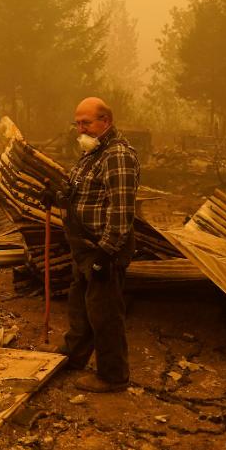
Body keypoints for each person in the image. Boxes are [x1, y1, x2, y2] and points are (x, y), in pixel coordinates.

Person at [40, 97, 140, 393]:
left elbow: (121, 211)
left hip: (103, 249)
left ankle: (113, 376)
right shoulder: (92, 152)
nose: (80, 129)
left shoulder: (117, 156)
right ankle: (74, 357)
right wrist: (56, 197)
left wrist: (105, 254)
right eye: (77, 123)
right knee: (80, 305)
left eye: (86, 123)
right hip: (84, 247)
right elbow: (80, 194)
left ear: (105, 122)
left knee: (105, 313)